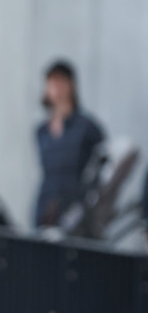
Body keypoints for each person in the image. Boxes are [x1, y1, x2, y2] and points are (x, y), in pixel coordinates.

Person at [34, 60, 105, 228]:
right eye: (51, 81)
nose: (54, 87)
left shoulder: (87, 128)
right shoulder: (41, 131)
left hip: (76, 212)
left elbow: (103, 169)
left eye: (59, 81)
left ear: (70, 85)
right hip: (46, 208)